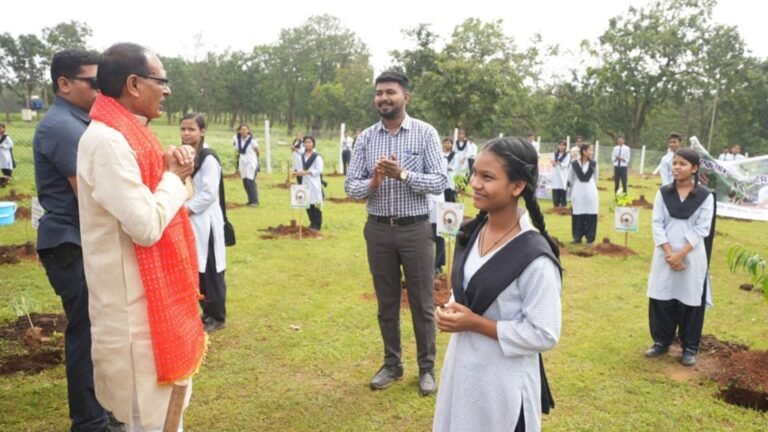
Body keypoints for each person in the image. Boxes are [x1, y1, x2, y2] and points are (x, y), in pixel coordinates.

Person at [77, 42, 205, 431]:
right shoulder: (109, 142)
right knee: (147, 422)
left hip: (154, 304)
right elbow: (147, 226)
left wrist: (171, 172)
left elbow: (164, 203)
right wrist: (173, 177)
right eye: (161, 81)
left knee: (168, 417)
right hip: (134, 316)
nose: (166, 90)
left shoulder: (135, 136)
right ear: (134, 83)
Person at [433, 136, 561, 432]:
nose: (475, 183)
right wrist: (451, 308)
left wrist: (474, 323)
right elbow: (468, 289)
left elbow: (544, 334)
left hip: (503, 383)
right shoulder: (472, 231)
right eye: (475, 173)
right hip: (463, 367)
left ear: (517, 186)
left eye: (487, 177)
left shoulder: (534, 257)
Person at [344, 70, 447, 396]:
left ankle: (427, 368)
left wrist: (402, 174)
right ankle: (392, 363)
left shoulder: (424, 133)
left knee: (422, 302)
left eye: (390, 92)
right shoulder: (366, 139)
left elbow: (439, 181)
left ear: (406, 97)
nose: (383, 98)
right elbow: (350, 186)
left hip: (414, 229)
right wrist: (374, 181)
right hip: (378, 230)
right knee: (387, 302)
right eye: (379, 93)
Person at [32, 49, 114, 432]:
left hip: (80, 240)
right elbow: (89, 196)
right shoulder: (64, 127)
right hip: (70, 242)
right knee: (86, 330)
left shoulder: (79, 121)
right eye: (94, 82)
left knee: (97, 328)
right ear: (64, 83)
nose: (102, 90)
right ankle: (89, 420)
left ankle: (101, 409)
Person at [645, 148, 715, 367]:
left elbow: (702, 228)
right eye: (675, 163)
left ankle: (689, 347)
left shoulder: (705, 196)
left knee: (690, 301)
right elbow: (657, 223)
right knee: (662, 297)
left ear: (694, 168)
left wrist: (681, 254)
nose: (676, 167)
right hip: (664, 255)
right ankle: (661, 341)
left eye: (682, 164)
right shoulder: (663, 193)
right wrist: (669, 254)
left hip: (691, 257)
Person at [180, 113, 227, 333]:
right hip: (189, 221)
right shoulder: (182, 156)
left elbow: (208, 194)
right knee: (194, 268)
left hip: (205, 221)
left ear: (202, 131)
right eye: (183, 129)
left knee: (210, 268)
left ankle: (216, 315)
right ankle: (203, 311)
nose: (187, 133)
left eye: (191, 129)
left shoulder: (208, 158)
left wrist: (185, 210)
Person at [568, 143, 599, 244]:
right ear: (584, 151)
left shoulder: (594, 164)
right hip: (578, 191)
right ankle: (577, 237)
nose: (592, 152)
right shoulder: (574, 164)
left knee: (591, 214)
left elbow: (596, 178)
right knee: (578, 214)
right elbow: (570, 179)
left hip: (591, 191)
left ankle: (590, 238)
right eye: (590, 150)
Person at [294, 135, 324, 230]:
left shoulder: (317, 156)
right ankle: (312, 223)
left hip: (314, 183)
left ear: (313, 144)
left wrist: (306, 172)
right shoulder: (302, 156)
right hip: (305, 182)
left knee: (316, 203)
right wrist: (296, 173)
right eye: (306, 142)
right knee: (306, 203)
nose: (307, 144)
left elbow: (319, 170)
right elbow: (300, 168)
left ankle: (317, 224)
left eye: (309, 142)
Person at [233, 123, 260, 206]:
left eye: (245, 129)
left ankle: (255, 201)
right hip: (243, 162)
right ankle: (250, 200)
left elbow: (257, 151)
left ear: (248, 131)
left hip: (251, 162)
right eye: (242, 129)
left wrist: (255, 160)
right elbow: (236, 149)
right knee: (245, 181)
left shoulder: (252, 141)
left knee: (250, 181)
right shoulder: (238, 139)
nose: (244, 131)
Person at [550, 140, 570, 207]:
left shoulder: (567, 155)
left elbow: (566, 164)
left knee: (562, 189)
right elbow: (553, 163)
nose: (561, 147)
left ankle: (563, 205)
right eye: (560, 145)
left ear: (565, 146)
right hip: (555, 174)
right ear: (558, 146)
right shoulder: (555, 154)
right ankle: (556, 205)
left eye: (563, 145)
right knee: (555, 189)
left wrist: (559, 163)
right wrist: (553, 163)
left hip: (563, 175)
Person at [442, 138, 458, 203]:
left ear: (451, 145)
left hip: (450, 176)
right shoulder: (440, 154)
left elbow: (455, 166)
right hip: (441, 176)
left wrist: (447, 167)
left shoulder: (454, 155)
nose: (446, 145)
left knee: (449, 196)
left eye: (448, 143)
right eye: (445, 143)